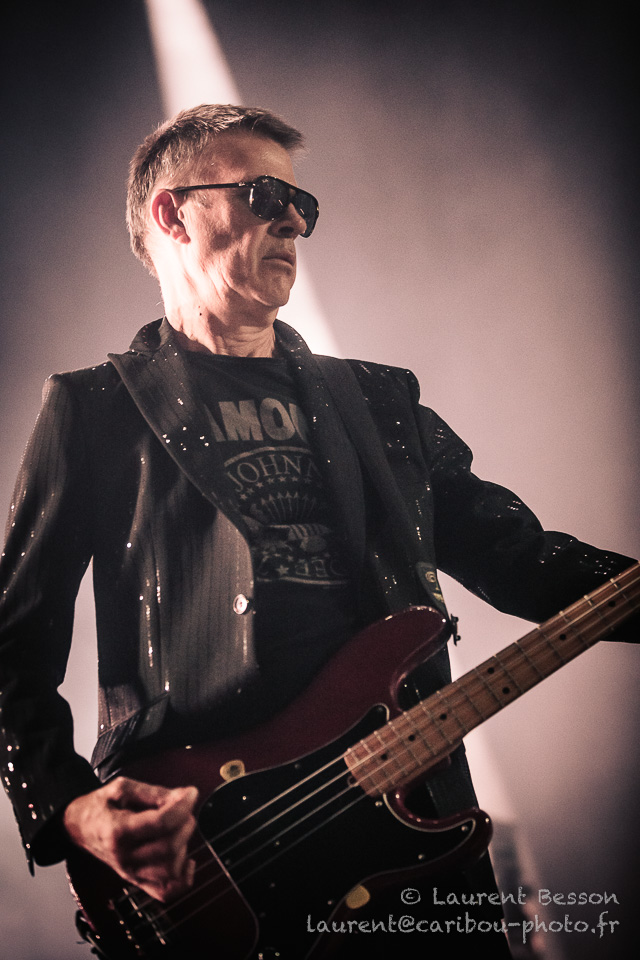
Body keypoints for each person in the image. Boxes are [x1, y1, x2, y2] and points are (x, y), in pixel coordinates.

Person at [0, 103, 635, 959]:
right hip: (214, 859)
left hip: (416, 839)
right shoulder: (96, 410)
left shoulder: (378, 400)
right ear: (172, 213)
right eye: (265, 196)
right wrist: (74, 810)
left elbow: (521, 559)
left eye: (304, 205)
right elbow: (12, 651)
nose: (295, 221)